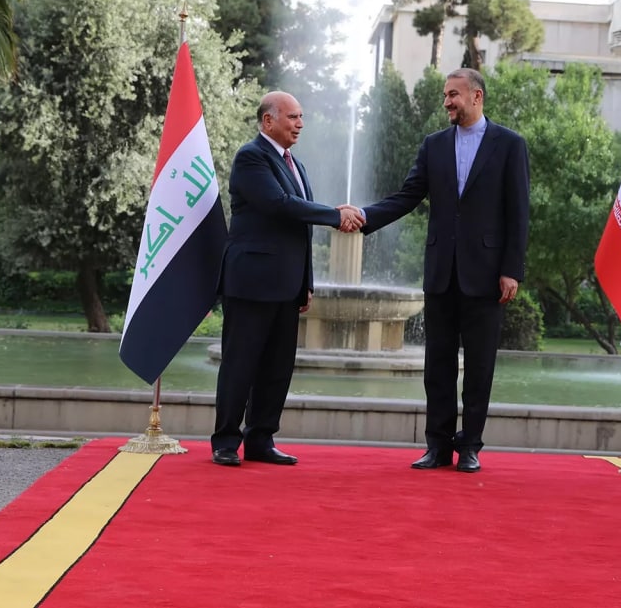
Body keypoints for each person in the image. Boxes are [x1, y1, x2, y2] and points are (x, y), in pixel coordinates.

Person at [354, 68, 529, 473]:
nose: (447, 101)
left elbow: (518, 212)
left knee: (480, 367)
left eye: (453, 94)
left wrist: (511, 270)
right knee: (438, 366)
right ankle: (437, 446)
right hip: (441, 273)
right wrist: (364, 216)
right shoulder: (433, 145)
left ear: (477, 96)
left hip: (487, 275)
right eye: (445, 95)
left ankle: (470, 447)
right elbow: (408, 196)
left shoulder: (510, 145)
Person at [211, 91, 364, 467]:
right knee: (240, 363)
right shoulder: (250, 157)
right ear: (268, 121)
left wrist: (306, 281)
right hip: (251, 282)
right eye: (293, 117)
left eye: (301, 117)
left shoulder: (297, 165)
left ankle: (261, 439)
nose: (300, 124)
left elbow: (300, 231)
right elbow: (278, 205)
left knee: (277, 367)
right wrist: (335, 215)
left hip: (286, 284)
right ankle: (226, 442)